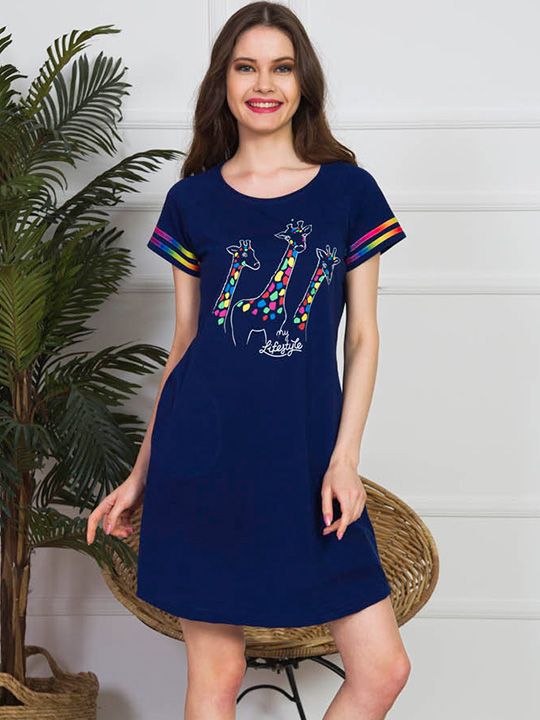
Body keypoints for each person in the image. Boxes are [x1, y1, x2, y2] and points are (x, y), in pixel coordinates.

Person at [87, 2, 411, 717]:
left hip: (307, 459)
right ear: (224, 83)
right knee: (219, 672)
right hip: (202, 459)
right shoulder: (192, 201)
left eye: (281, 67)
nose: (264, 84)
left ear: (303, 83)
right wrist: (141, 474)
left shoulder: (348, 191)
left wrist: (344, 459)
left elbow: (363, 337)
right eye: (246, 67)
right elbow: (184, 346)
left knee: (382, 669)